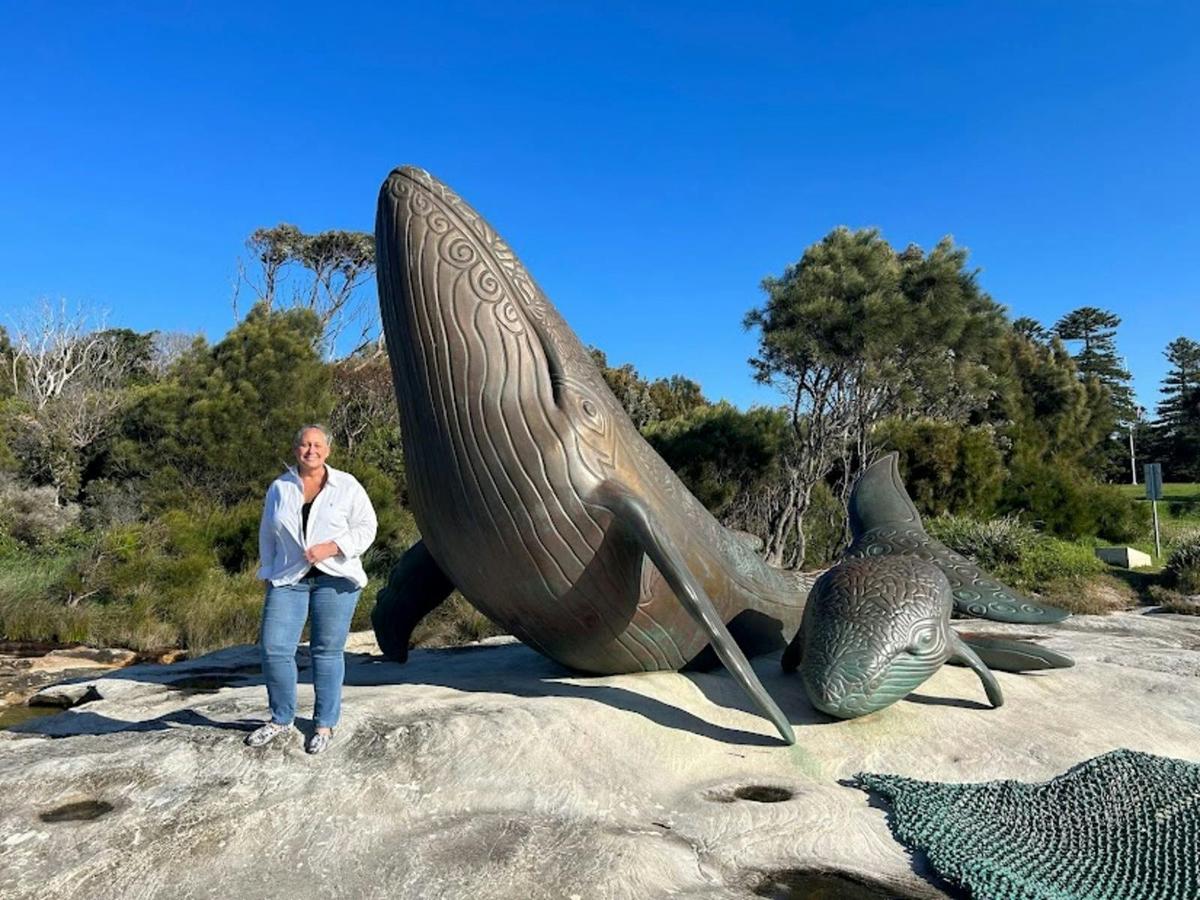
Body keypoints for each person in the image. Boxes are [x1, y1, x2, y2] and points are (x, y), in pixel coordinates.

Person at [246, 424, 378, 754]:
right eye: (305, 445)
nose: (311, 450)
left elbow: (367, 527)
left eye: (318, 445)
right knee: (274, 649)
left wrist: (333, 547)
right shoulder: (280, 487)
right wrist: (268, 571)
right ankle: (281, 718)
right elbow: (268, 532)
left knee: (326, 651)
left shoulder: (347, 485)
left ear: (328, 450)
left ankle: (324, 725)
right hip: (289, 578)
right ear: (296, 450)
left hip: (336, 578)